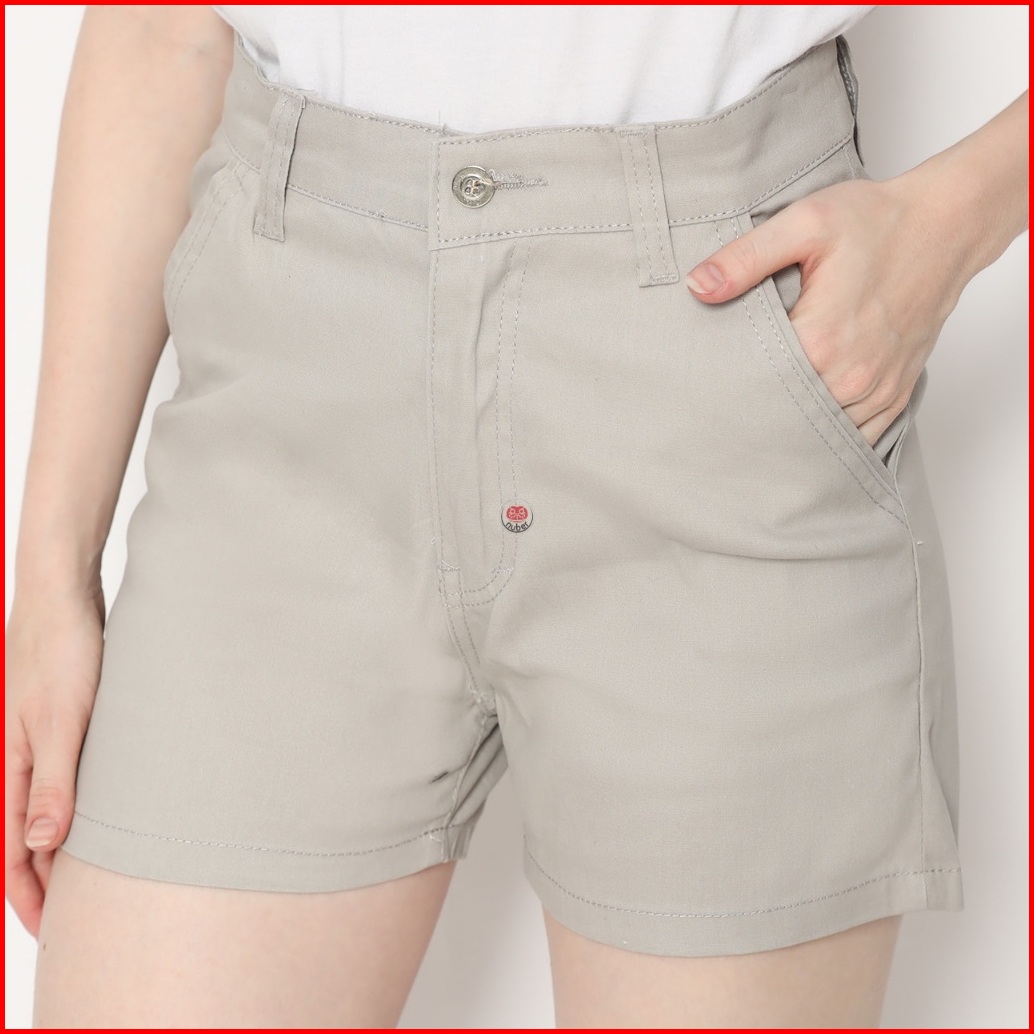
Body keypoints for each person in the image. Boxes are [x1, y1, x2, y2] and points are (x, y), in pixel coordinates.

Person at [5, 6, 1027, 1028]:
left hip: (716, 353)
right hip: (283, 395)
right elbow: (159, 28)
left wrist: (954, 219)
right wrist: (51, 571)